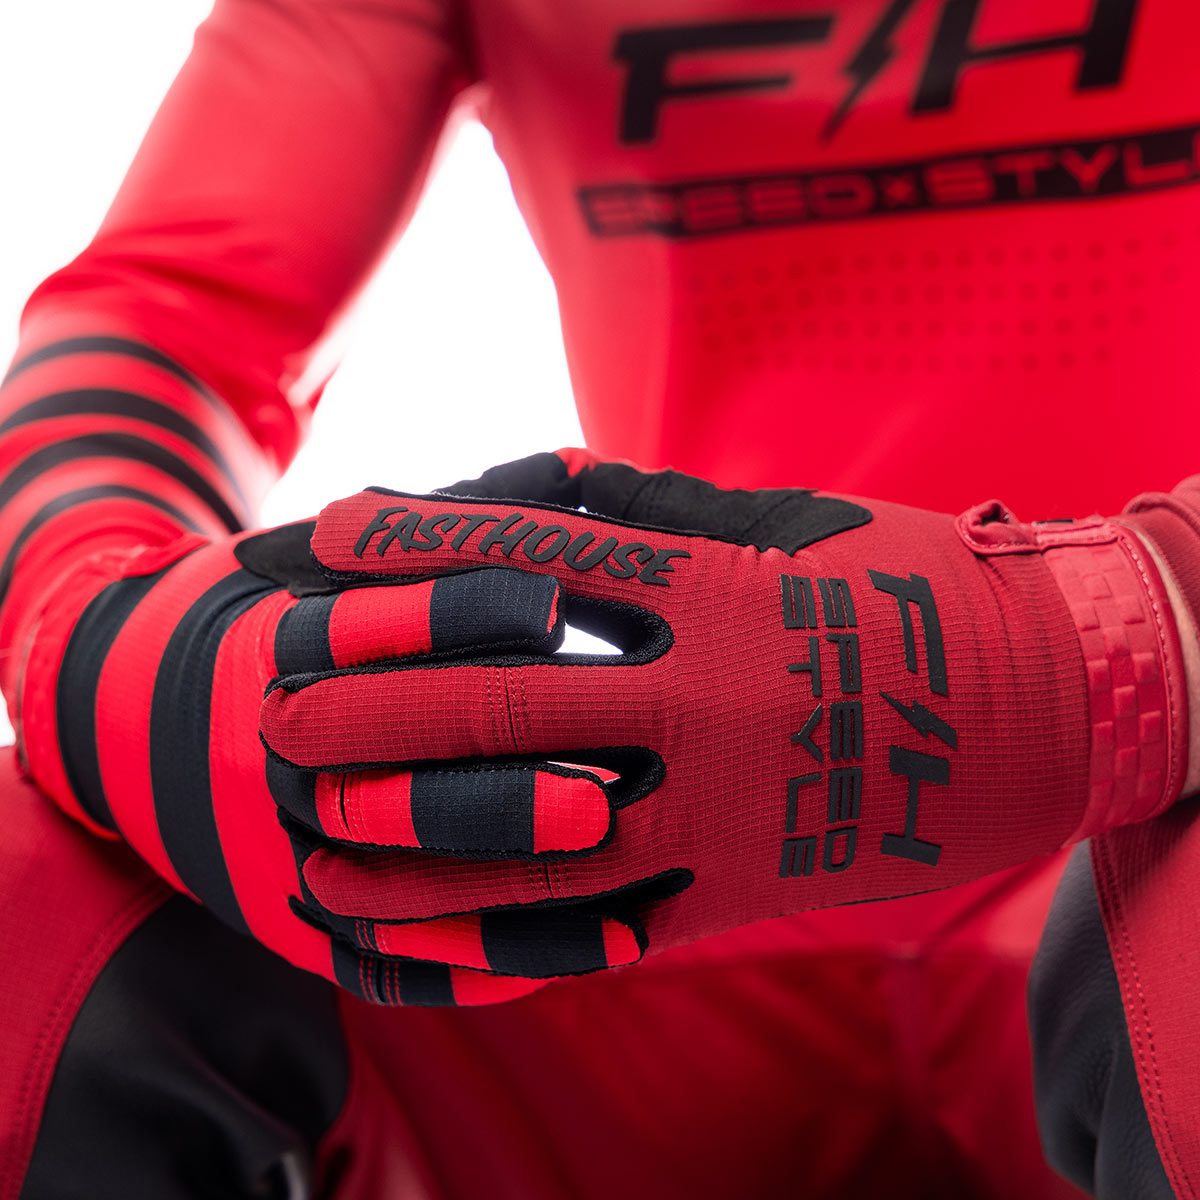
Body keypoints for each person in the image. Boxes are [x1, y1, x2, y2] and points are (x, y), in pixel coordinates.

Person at [1, 0, 1198, 1196]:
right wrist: (124, 636)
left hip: (1141, 861)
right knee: (30, 918)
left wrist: (1141, 626)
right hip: (671, 883)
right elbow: (166, 316)